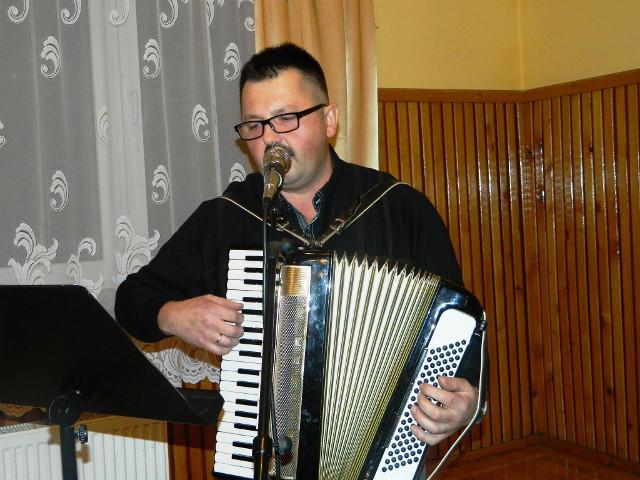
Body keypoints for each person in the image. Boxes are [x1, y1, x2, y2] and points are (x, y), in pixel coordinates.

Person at [115, 42, 481, 452]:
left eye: (286, 118)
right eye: (254, 125)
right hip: (262, 452)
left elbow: (460, 331)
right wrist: (174, 315)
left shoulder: (400, 208)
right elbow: (131, 299)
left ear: (329, 119)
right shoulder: (225, 217)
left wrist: (466, 401)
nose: (270, 139)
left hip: (381, 451)